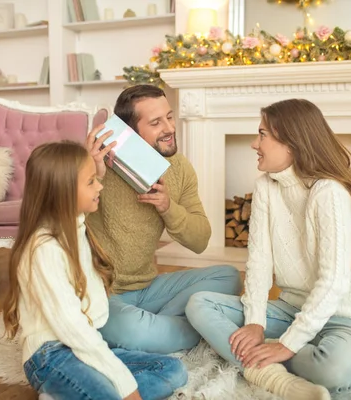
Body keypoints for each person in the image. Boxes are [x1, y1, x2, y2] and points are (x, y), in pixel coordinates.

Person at [185, 98, 351, 400]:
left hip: (343, 316)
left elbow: (333, 282)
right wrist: (255, 322)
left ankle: (265, 352)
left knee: (333, 371)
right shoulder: (265, 187)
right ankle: (276, 379)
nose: (254, 143)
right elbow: (258, 262)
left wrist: (286, 345)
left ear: (291, 142)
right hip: (289, 308)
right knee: (200, 304)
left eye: (262, 134)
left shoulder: (329, 193)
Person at [2, 140, 187, 400]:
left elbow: (80, 204)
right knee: (114, 392)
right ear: (63, 192)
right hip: (50, 356)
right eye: (91, 182)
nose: (100, 185)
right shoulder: (43, 250)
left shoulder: (74, 227)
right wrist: (126, 386)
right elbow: (72, 328)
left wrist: (94, 170)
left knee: (172, 369)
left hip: (83, 344)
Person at [86, 84, 242, 354]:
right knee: (132, 329)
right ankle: (195, 327)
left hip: (148, 288)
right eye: (156, 122)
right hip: (103, 293)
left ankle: (158, 330)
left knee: (229, 277)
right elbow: (61, 224)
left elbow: (201, 239)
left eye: (170, 117)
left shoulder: (179, 168)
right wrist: (94, 174)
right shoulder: (97, 165)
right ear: (130, 134)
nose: (169, 128)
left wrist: (168, 207)